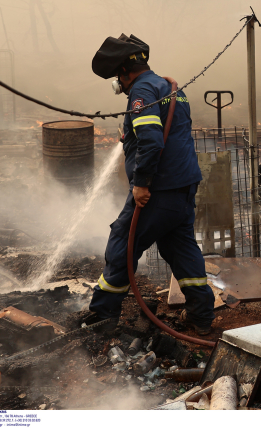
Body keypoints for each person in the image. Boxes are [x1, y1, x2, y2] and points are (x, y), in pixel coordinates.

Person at [84, 34, 213, 334]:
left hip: (157, 190)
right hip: (183, 188)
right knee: (180, 248)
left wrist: (141, 183)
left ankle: (102, 318)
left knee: (122, 244)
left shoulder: (141, 91)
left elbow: (153, 141)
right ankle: (201, 316)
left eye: (118, 75)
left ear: (126, 72)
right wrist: (129, 137)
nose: (119, 81)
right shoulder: (169, 89)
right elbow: (167, 133)